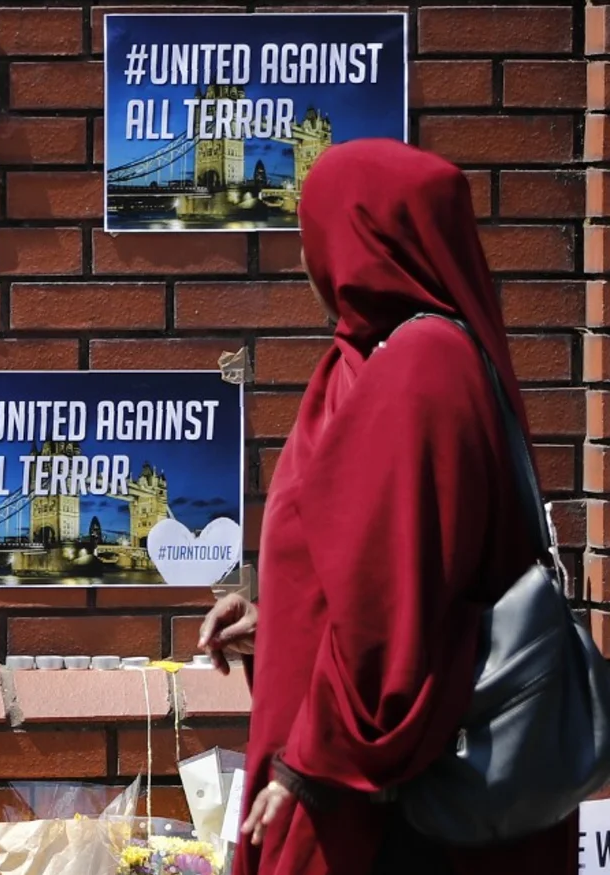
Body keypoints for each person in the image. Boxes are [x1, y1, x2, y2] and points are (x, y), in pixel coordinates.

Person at [196, 139, 578, 875]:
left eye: (313, 231)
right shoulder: (380, 360)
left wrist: (312, 761)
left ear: (359, 234)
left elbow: (394, 613)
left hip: (383, 803)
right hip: (378, 774)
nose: (307, 259)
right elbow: (395, 575)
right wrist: (279, 628)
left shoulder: (420, 367)